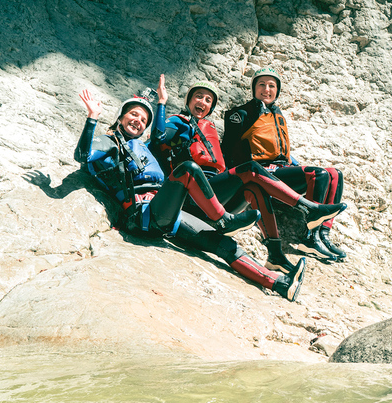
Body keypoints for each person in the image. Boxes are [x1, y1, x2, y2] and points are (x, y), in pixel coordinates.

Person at [74, 86, 305, 301]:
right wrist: (92, 118)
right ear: (120, 117)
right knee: (188, 170)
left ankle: (280, 284)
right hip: (142, 215)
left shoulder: (141, 148)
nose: (138, 121)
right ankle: (223, 219)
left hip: (166, 216)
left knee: (223, 245)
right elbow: (82, 155)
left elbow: (160, 140)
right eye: (133, 115)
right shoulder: (110, 142)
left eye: (143, 120)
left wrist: (161, 103)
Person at [150, 75, 346, 275]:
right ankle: (308, 209)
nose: (203, 102)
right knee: (250, 168)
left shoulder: (207, 128)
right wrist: (161, 103)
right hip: (193, 196)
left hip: (216, 198)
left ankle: (275, 254)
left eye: (208, 100)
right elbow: (157, 138)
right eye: (198, 97)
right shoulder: (179, 122)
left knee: (254, 188)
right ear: (189, 100)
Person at [222, 67, 347, 262]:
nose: (267, 89)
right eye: (261, 85)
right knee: (319, 174)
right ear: (254, 88)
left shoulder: (276, 114)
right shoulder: (242, 113)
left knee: (335, 174)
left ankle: (322, 235)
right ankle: (308, 238)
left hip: (282, 170)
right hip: (264, 173)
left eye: (272, 86)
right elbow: (230, 149)